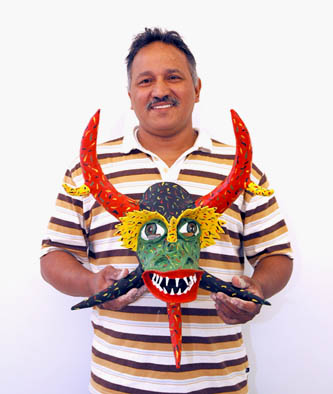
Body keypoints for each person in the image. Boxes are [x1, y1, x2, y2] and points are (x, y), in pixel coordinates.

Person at [41, 27, 293, 394]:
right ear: (130, 96)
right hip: (119, 382)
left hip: (220, 382)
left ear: (197, 87)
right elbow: (54, 255)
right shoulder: (86, 171)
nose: (159, 90)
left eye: (173, 77)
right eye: (146, 80)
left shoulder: (242, 170)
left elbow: (276, 254)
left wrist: (256, 288)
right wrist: (92, 283)